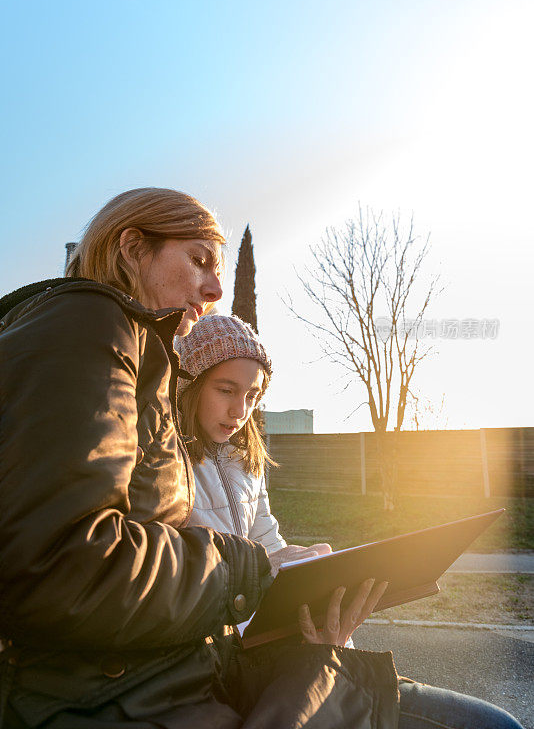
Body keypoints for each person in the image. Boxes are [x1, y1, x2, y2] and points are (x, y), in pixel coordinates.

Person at [0, 187, 398, 729]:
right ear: (133, 248)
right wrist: (247, 572)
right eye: (199, 260)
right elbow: (62, 561)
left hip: (169, 673)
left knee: (348, 681)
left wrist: (294, 589)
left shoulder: (133, 353)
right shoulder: (88, 325)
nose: (215, 288)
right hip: (122, 694)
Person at [176, 313, 526, 729]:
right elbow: (184, 581)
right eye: (226, 390)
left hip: (295, 647)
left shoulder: (248, 464)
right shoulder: (167, 467)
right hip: (235, 666)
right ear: (191, 385)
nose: (240, 410)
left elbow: (269, 545)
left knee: (496, 723)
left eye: (253, 394)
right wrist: (265, 576)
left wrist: (313, 585)